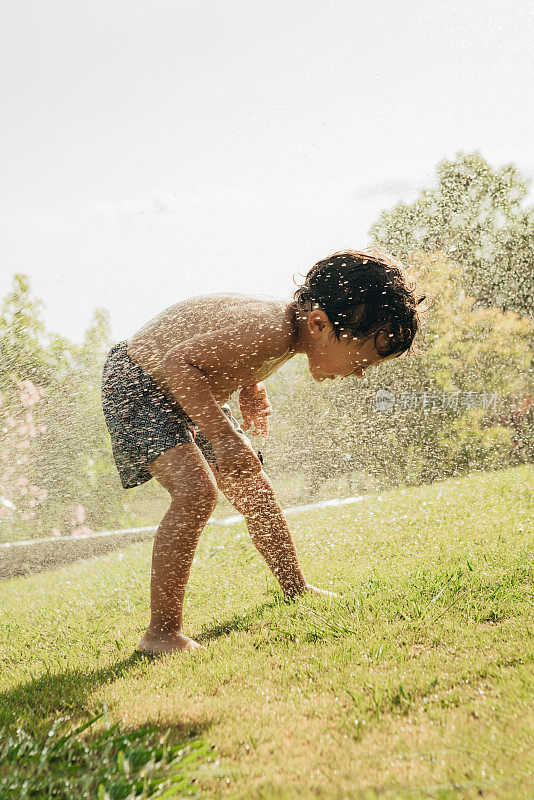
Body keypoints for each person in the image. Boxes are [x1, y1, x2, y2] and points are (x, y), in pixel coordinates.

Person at [101, 248, 426, 655]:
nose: (359, 372)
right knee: (197, 493)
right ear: (320, 323)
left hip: (182, 385)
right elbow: (176, 363)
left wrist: (251, 385)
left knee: (255, 488)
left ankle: (296, 589)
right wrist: (223, 436)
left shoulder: (291, 330)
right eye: (362, 360)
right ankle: (160, 633)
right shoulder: (270, 330)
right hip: (141, 383)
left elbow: (225, 351)